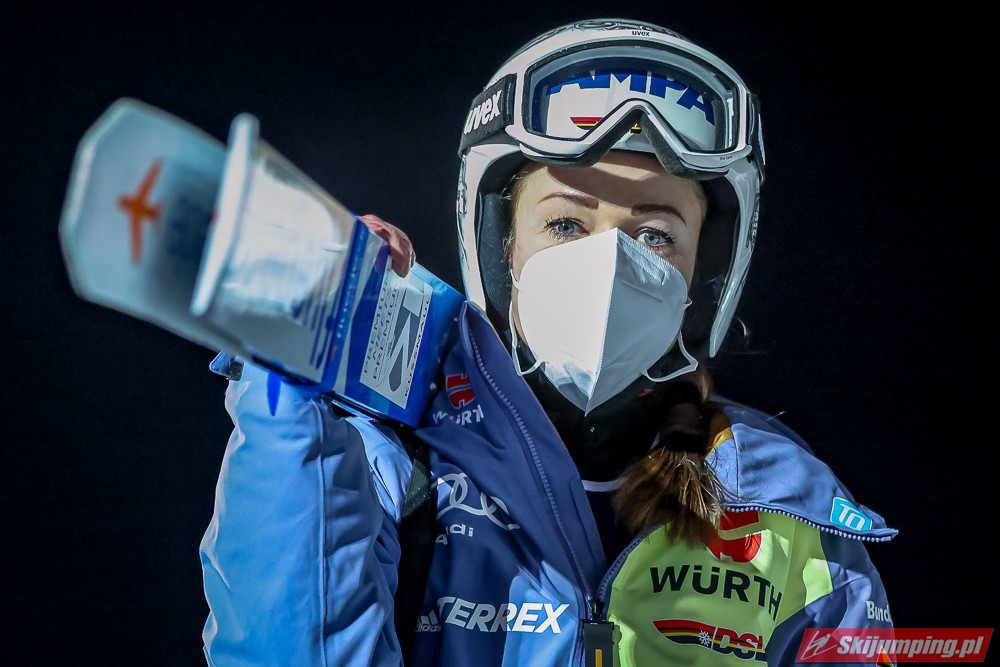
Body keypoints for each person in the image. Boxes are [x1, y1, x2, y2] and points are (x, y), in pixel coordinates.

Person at [198, 17, 897, 666]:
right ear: (500, 247)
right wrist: (297, 367)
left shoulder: (786, 507)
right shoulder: (393, 459)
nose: (611, 262)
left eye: (655, 235)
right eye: (566, 224)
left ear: (703, 274)